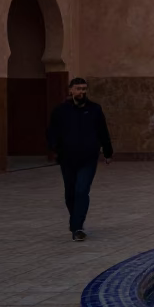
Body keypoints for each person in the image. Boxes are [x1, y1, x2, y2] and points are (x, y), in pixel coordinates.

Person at [47, 77, 113, 241]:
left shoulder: (94, 109)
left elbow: (102, 131)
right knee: (70, 193)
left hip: (88, 158)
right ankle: (75, 223)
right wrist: (55, 148)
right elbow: (51, 132)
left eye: (84, 89)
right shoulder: (61, 111)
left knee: (82, 190)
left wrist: (107, 151)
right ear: (71, 90)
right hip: (67, 159)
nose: (81, 92)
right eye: (78, 89)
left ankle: (77, 227)